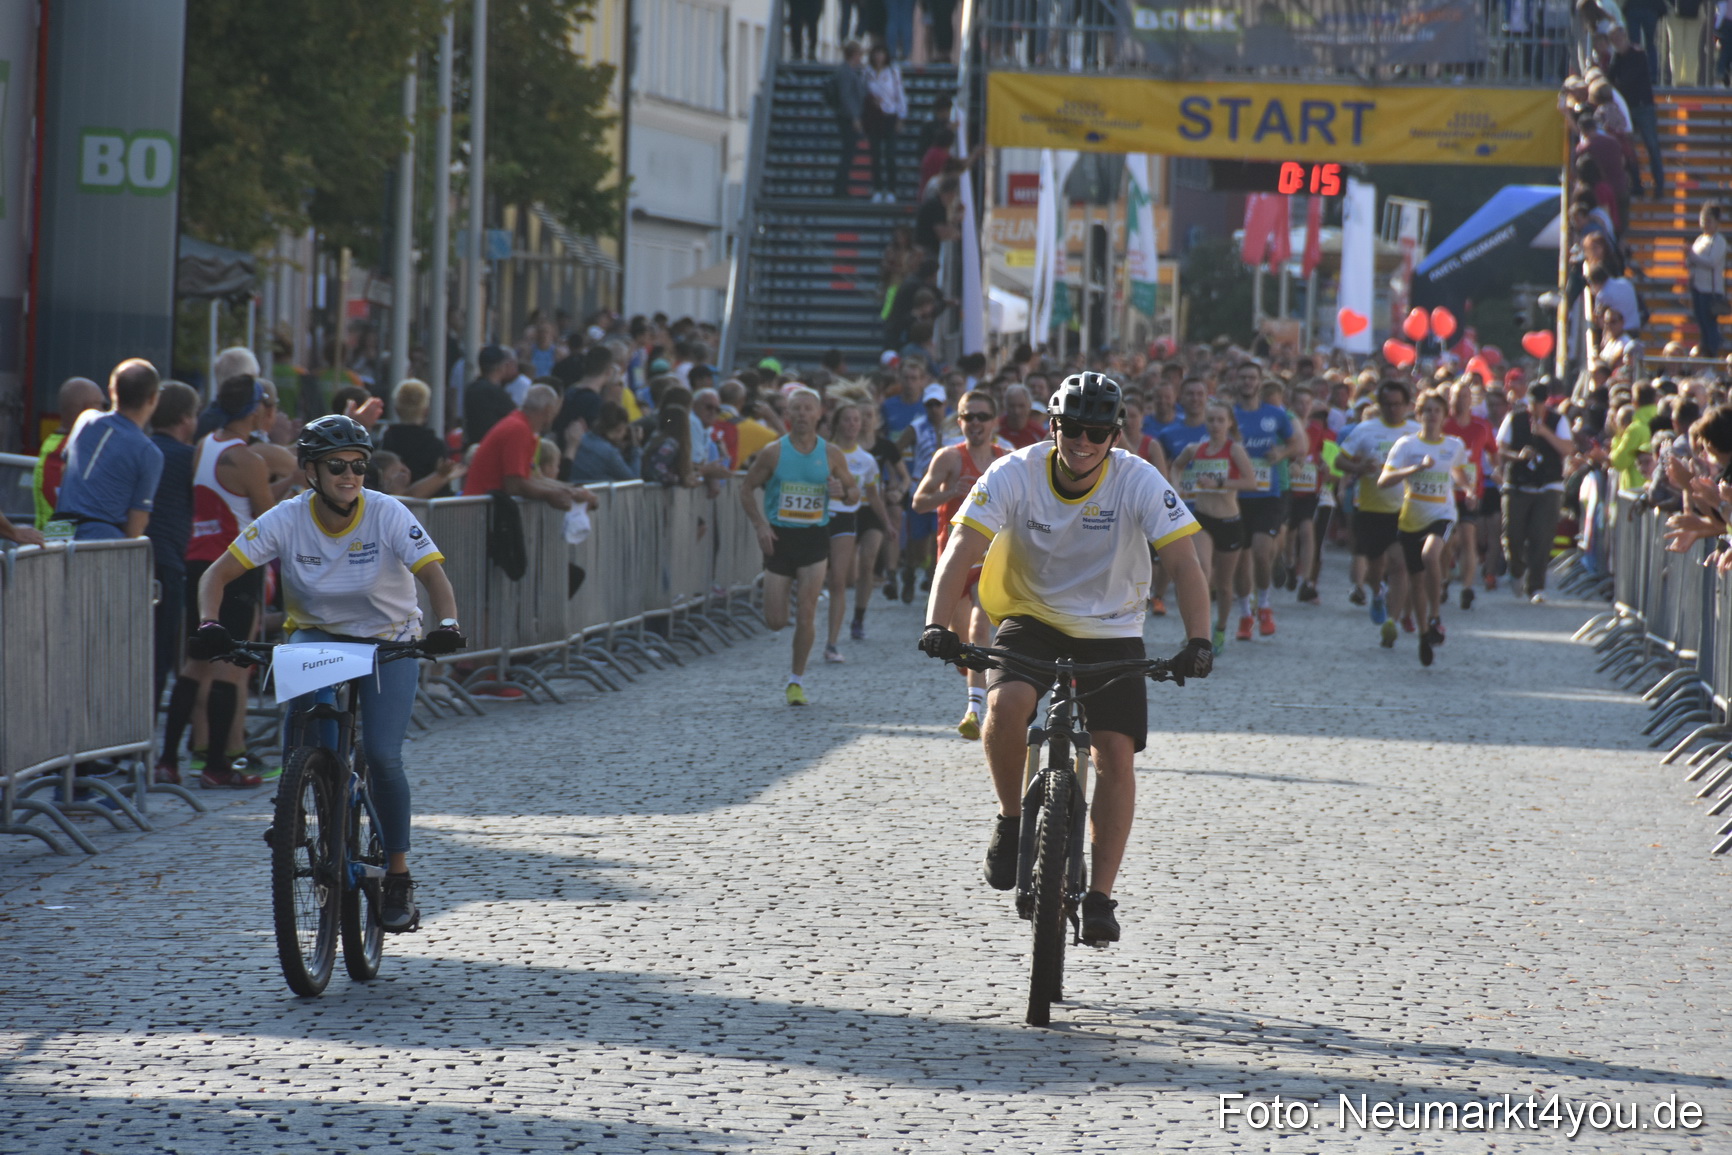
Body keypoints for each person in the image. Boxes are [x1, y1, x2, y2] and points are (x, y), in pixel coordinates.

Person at [918, 372, 1213, 945]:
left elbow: (1183, 563)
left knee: (1115, 753)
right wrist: (935, 624)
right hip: (1031, 614)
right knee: (1005, 708)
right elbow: (962, 548)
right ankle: (1010, 820)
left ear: (1114, 435)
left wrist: (1198, 640)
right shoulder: (1013, 472)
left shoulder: (1139, 481)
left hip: (1112, 626)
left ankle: (1101, 895)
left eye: (1097, 432)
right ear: (1053, 427)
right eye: (1072, 428)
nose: (1083, 441)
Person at [188, 414, 465, 934]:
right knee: (307, 715)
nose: (350, 474)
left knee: (383, 755)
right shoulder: (288, 517)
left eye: (359, 465)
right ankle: (293, 806)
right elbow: (217, 573)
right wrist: (209, 623)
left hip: (389, 638)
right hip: (319, 634)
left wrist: (447, 624)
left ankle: (399, 876)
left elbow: (434, 577)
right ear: (311, 471)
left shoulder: (386, 513)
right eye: (337, 465)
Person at [161, 374, 284, 788]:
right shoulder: (249, 460)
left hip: (198, 561)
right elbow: (268, 519)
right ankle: (218, 765)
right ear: (255, 409)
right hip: (236, 564)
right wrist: (293, 484)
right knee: (233, 668)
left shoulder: (204, 445)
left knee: (196, 664)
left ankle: (168, 760)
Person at [739, 388, 859, 705]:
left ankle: (796, 681)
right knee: (776, 620)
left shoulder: (831, 453)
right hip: (780, 538)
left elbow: (854, 492)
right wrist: (760, 524)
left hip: (814, 538)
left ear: (819, 414)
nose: (803, 414)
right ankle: (788, 596)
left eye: (809, 408)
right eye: (797, 409)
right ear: (788, 416)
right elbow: (746, 488)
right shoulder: (773, 453)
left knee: (806, 614)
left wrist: (842, 493)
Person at [912, 389, 1008, 737]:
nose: (976, 423)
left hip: (989, 561)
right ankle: (974, 684)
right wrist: (950, 493)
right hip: (953, 565)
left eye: (983, 417)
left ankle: (974, 712)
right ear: (960, 421)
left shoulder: (1005, 460)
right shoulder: (949, 458)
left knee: (979, 629)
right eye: (969, 417)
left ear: (994, 421)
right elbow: (919, 501)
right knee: (962, 655)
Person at [1378, 389, 1473, 666]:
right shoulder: (1406, 446)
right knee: (1416, 582)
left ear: (1444, 416)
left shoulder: (1454, 445)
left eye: (1437, 411)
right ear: (1418, 415)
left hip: (1442, 513)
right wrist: (1415, 469)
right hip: (1410, 519)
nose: (1432, 416)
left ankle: (1435, 616)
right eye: (1427, 411)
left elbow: (1457, 470)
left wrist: (1467, 489)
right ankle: (1423, 633)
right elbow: (1384, 480)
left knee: (1430, 556)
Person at [1170, 400, 1259, 651]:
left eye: (1221, 420)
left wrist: (1219, 483)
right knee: (1202, 573)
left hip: (1230, 521)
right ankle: (1199, 634)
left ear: (1230, 423)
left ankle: (1220, 629)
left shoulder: (1234, 450)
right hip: (1203, 519)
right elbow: (1176, 466)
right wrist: (1176, 489)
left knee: (1224, 584)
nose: (1215, 425)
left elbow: (1251, 482)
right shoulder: (1194, 448)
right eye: (1211, 420)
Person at [1337, 379, 1420, 647]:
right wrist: (1361, 467)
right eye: (1387, 405)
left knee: (1400, 565)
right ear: (1380, 405)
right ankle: (1377, 592)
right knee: (1374, 568)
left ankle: (1390, 623)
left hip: (1405, 510)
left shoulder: (1416, 432)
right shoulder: (1366, 429)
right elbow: (1338, 460)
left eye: (1398, 405)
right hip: (1371, 508)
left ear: (1407, 405)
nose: (1393, 409)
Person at [53, 359, 164, 541]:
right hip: (101, 541)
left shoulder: (85, 420)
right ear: (153, 398)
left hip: (58, 530)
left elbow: (65, 471)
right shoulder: (149, 452)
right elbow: (136, 525)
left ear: (112, 391)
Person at [1231, 371, 1306, 640]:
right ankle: (1244, 614)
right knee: (1241, 559)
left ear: (1259, 383)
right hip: (1238, 496)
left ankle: (1263, 605)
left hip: (1269, 495)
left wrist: (1283, 453)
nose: (1247, 382)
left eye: (1252, 378)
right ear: (1237, 382)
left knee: (1262, 552)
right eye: (1243, 378)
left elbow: (1296, 443)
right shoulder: (1230, 415)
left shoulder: (1275, 414)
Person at [144, 382, 200, 721]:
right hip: (167, 563)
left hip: (134, 558)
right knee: (159, 655)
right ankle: (142, 733)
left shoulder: (142, 447)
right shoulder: (187, 457)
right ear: (184, 417)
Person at [821, 401, 886, 662]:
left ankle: (832, 642)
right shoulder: (821, 452)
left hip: (848, 517)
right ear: (837, 423)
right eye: (847, 420)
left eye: (856, 420)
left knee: (840, 580)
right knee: (818, 578)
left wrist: (888, 524)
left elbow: (872, 494)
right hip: (818, 517)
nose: (852, 425)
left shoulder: (866, 460)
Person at [463, 384, 597, 511]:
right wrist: (551, 495)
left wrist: (573, 492)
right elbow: (515, 484)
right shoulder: (518, 429)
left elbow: (534, 478)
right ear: (548, 410)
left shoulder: (520, 426)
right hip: (480, 514)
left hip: (484, 511)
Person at [1498, 381, 1574, 604]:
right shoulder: (1514, 418)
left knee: (1542, 535)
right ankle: (1516, 569)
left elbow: (1568, 449)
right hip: (1518, 484)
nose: (1536, 407)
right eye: (1533, 402)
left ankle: (1536, 586)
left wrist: (1545, 433)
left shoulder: (1559, 421)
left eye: (1540, 403)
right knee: (1513, 533)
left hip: (1548, 484)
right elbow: (1500, 449)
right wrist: (1518, 456)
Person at [1443, 378, 1496, 611]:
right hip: (1444, 491)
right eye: (1457, 396)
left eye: (1465, 396)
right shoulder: (1443, 425)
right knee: (1446, 541)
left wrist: (1496, 470)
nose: (1461, 400)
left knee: (1467, 537)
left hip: (1472, 492)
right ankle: (1444, 579)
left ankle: (1466, 588)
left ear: (1471, 400)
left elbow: (1494, 452)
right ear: (1450, 399)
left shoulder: (1481, 426)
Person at [32, 377, 103, 530]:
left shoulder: (54, 444)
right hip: (59, 547)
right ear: (89, 408)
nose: (106, 413)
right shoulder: (67, 451)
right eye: (103, 405)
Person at [863, 44, 907, 204]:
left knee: (890, 155)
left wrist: (901, 116)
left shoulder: (893, 71)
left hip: (890, 116)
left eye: (881, 53)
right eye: (876, 54)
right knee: (875, 154)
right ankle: (877, 188)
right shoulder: (867, 72)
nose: (879, 57)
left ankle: (891, 190)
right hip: (875, 117)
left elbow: (899, 94)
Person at [830, 43, 869, 199]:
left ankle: (842, 186)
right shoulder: (846, 72)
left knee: (849, 153)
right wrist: (855, 117)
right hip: (847, 118)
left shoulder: (849, 71)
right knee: (848, 152)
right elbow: (846, 96)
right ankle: (840, 188)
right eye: (859, 54)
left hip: (848, 117)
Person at [568, 401, 641, 483]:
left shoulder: (583, 439)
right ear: (619, 428)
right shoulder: (609, 453)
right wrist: (636, 446)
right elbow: (634, 481)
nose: (625, 433)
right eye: (625, 429)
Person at [1687, 203, 1725, 359]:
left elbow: (1711, 262)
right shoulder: (1700, 239)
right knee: (1701, 323)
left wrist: (1692, 256)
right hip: (1697, 287)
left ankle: (1712, 355)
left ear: (1717, 222)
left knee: (1709, 325)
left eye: (1709, 221)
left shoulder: (1719, 241)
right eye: (1703, 220)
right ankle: (1705, 353)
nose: (1705, 224)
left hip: (1710, 290)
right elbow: (1692, 261)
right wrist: (1689, 258)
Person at [463, 345, 518, 448]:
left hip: (474, 448)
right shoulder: (495, 393)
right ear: (501, 367)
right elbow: (515, 418)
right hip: (493, 449)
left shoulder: (471, 389)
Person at [998, 383, 1042, 449]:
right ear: (1005, 406)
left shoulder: (1038, 433)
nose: (1016, 411)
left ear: (1029, 406)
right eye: (1012, 406)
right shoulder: (995, 429)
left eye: (1021, 406)